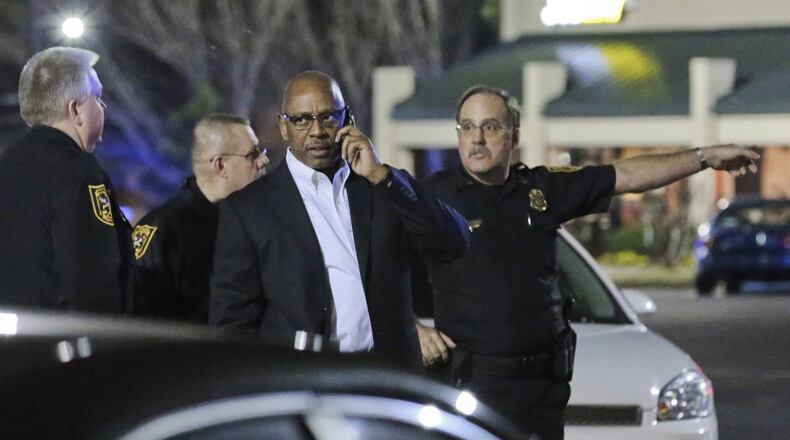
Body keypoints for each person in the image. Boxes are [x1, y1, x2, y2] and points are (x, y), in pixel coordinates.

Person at [415, 85, 760, 439]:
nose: (476, 139)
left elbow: (627, 176)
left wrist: (704, 157)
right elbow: (374, 262)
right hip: (472, 388)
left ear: (514, 135)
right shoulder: (431, 200)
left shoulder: (540, 190)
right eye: (467, 128)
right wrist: (413, 327)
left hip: (542, 394)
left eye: (490, 127)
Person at [209, 71, 469, 368]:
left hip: (385, 379)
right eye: (302, 120)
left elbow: (455, 240)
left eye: (329, 117)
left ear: (349, 121)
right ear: (284, 127)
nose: (317, 130)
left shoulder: (381, 187)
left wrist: (380, 175)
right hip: (303, 383)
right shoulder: (249, 209)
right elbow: (232, 325)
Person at [0, 47, 134, 313]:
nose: (103, 107)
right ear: (76, 110)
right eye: (98, 98)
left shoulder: (6, 164)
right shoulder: (77, 171)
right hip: (60, 344)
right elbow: (91, 276)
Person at [132, 114, 269, 322]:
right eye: (253, 154)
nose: (264, 160)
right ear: (220, 166)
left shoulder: (256, 221)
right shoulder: (164, 230)